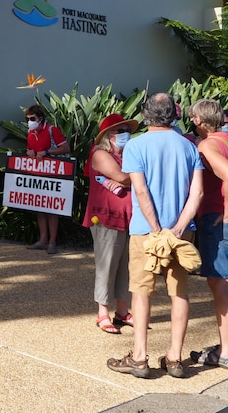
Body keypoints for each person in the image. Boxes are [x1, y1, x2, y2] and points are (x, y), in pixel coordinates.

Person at [107, 93, 203, 379]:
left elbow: (140, 190)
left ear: (146, 115)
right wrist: (177, 228)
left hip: (145, 232)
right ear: (174, 114)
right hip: (181, 232)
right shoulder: (188, 147)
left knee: (141, 292)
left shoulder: (136, 146)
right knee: (179, 293)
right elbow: (195, 193)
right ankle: (175, 358)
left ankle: (139, 358)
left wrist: (156, 228)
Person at [82, 113, 137, 335]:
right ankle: (102, 312)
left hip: (128, 217)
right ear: (108, 135)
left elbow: (124, 177)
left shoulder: (127, 156)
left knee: (126, 265)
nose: (126, 135)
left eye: (127, 131)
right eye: (120, 131)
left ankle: (122, 311)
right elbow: (122, 178)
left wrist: (128, 176)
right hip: (105, 217)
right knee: (107, 264)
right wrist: (137, 176)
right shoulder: (100, 154)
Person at [188, 99, 228, 368]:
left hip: (217, 220)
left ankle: (225, 351)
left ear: (199, 121)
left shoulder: (207, 144)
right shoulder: (224, 138)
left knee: (220, 284)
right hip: (218, 219)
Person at [23, 104, 70, 254]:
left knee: (52, 208)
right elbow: (30, 149)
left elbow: (66, 148)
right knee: (40, 207)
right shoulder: (30, 133)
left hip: (54, 174)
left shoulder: (52, 130)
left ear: (40, 118)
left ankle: (52, 242)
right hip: (39, 173)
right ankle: (43, 240)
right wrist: (29, 152)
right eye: (28, 119)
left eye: (32, 118)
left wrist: (48, 152)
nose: (29, 121)